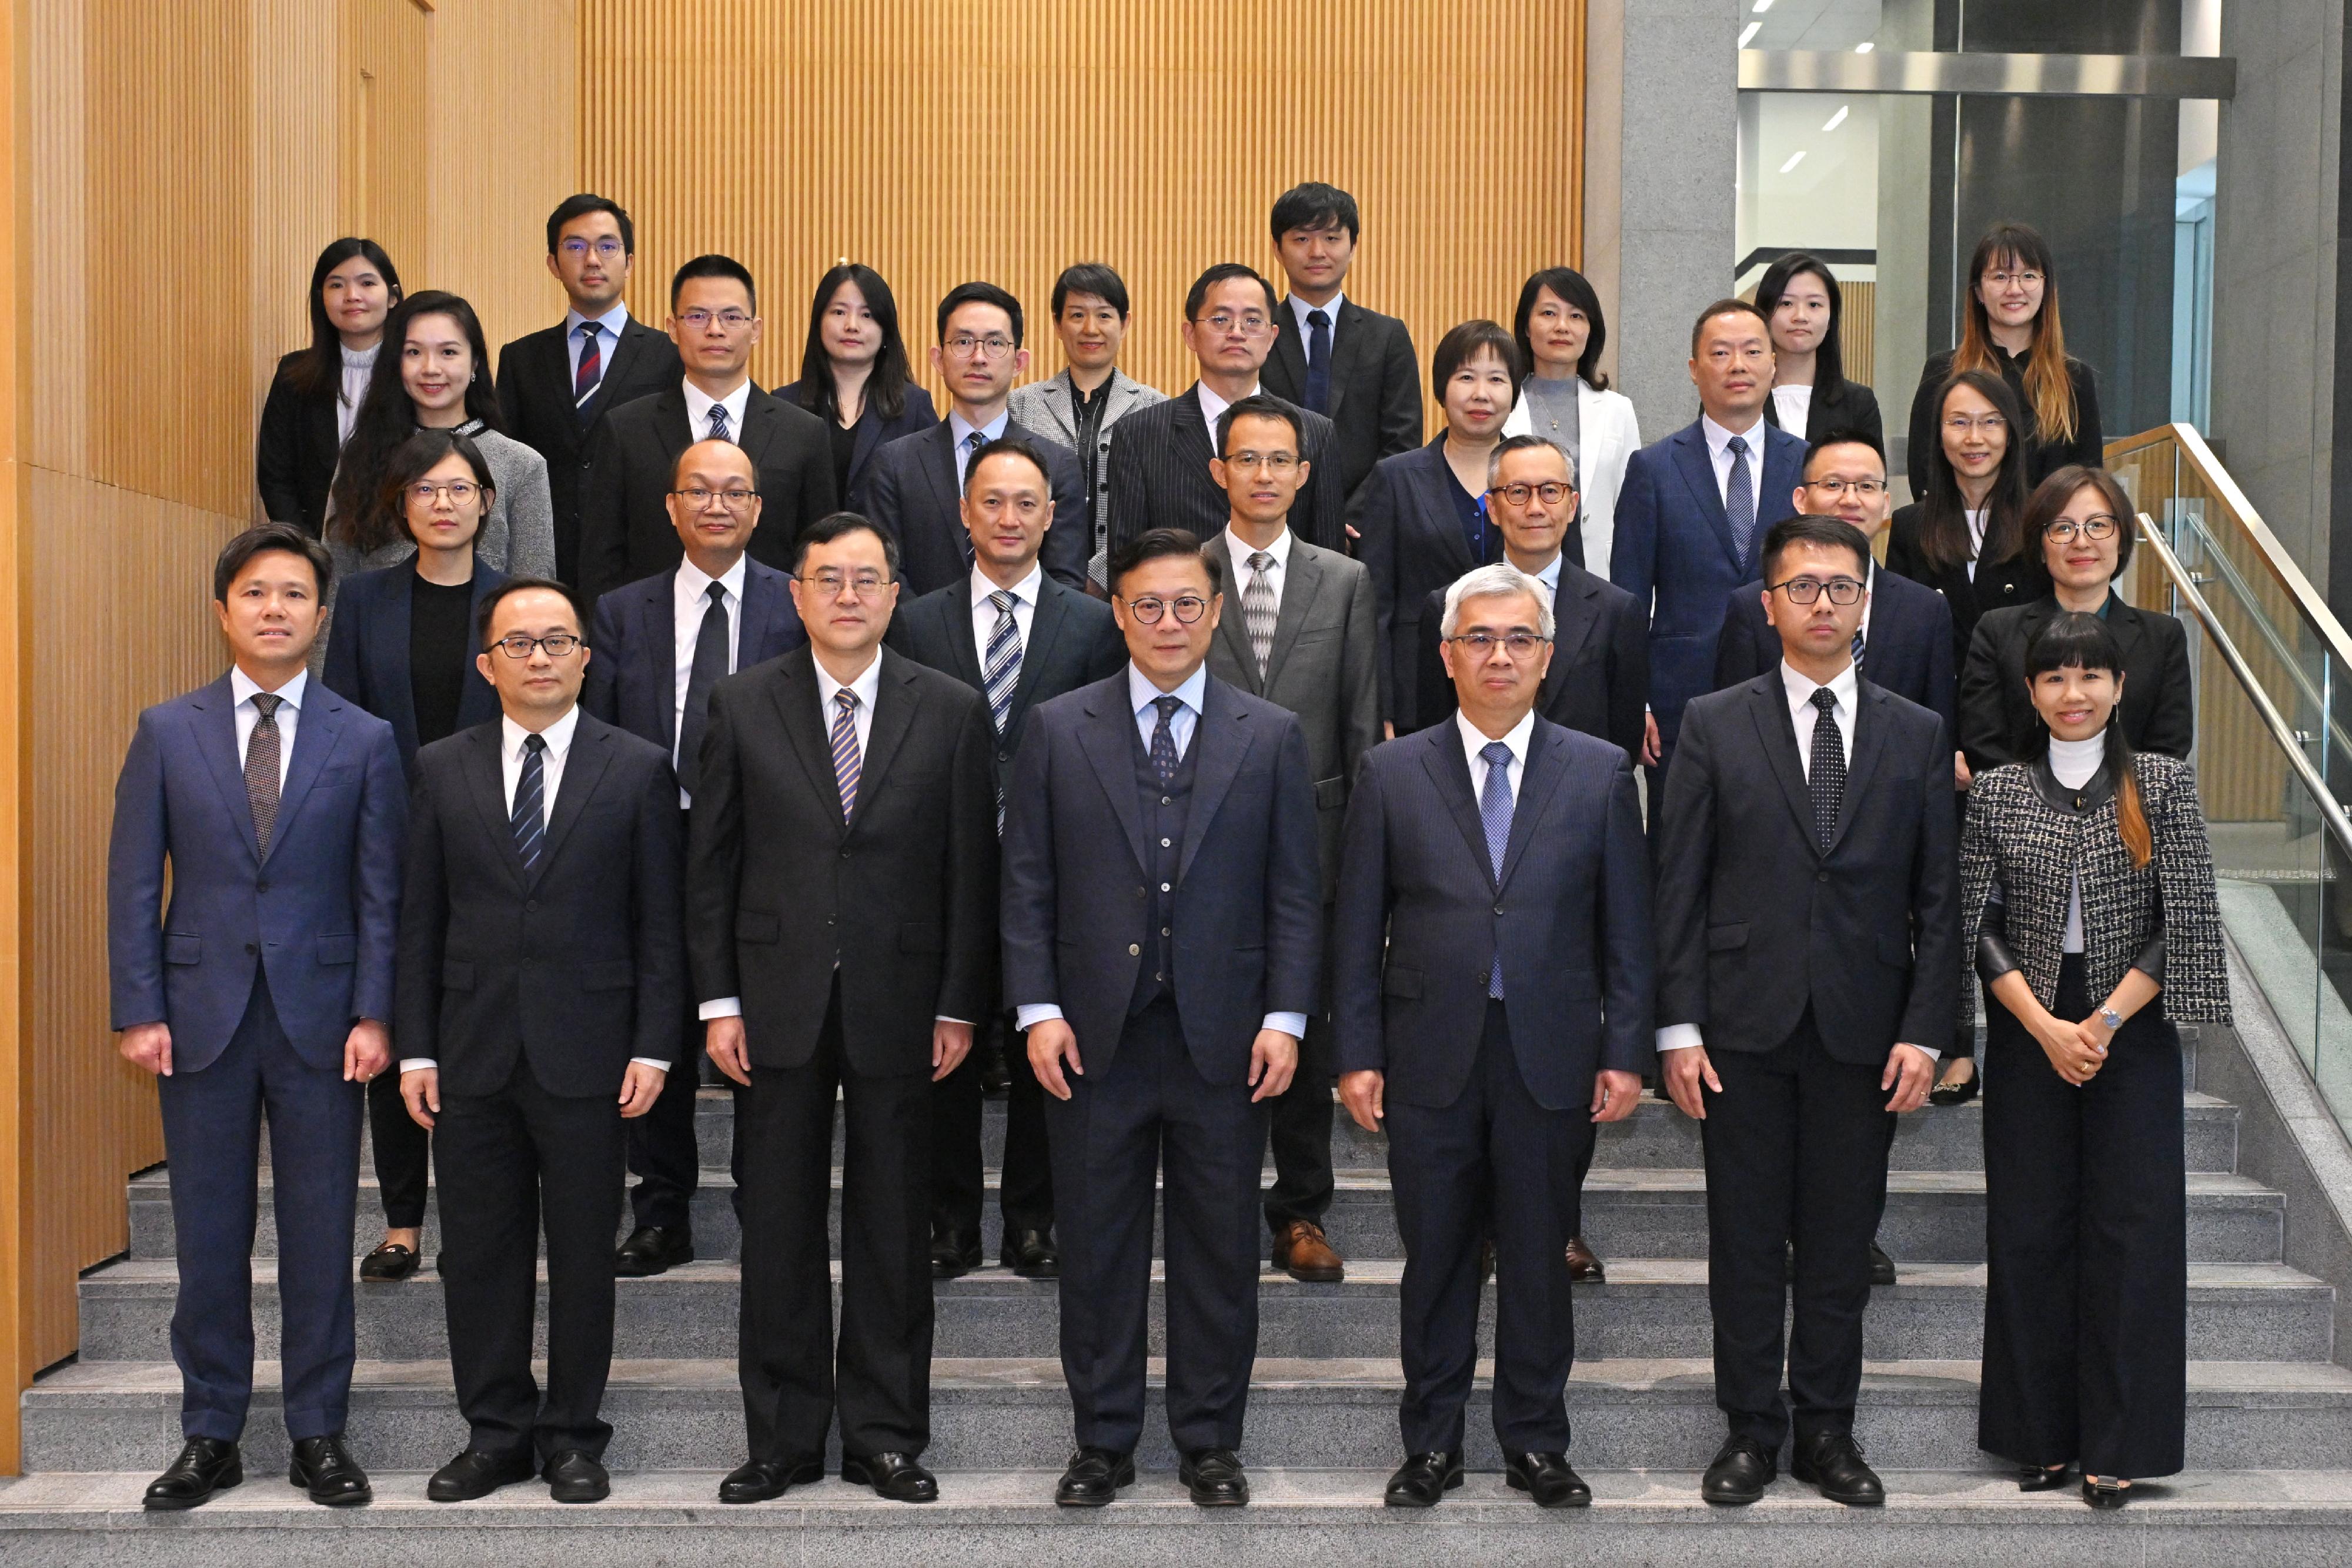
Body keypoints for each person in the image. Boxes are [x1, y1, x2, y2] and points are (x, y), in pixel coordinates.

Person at [1002, 529, 1321, 1509]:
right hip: (1092, 1038)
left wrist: (1287, 1016)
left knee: (1218, 1249)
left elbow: (1296, 891)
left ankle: (1210, 1440)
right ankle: (1101, 1440)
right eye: (1148, 604)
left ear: (1216, 611)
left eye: (1187, 604)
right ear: (1118, 612)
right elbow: (1027, 880)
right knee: (1097, 1247)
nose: (1169, 622)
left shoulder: (1272, 732)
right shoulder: (1058, 726)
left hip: (1228, 1039)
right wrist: (1038, 1009)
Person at [690, 514, 996, 1506]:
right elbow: (712, 864)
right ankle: (782, 1438)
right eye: (830, 578)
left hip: (904, 1000)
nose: (850, 595)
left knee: (894, 1223)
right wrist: (718, 999)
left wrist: (960, 1003)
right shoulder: (742, 702)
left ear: (896, 595)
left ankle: (885, 1435)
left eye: (868, 578)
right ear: (797, 594)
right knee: (777, 1220)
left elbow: (971, 870)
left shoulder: (950, 708)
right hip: (772, 1001)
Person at [1333, 561, 1653, 1510]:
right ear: (1447, 655)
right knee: (1435, 1258)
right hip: (1428, 1051)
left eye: (1519, 639)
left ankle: (1536, 1440)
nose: (1499, 655)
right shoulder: (1392, 771)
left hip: (1551, 1052)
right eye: (1479, 638)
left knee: (1538, 1256)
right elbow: (1356, 925)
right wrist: (1356, 1052)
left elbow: (1627, 929)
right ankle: (1431, 1443)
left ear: (1548, 656)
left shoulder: (1600, 770)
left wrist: (1624, 1050)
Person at [1653, 514, 1957, 1508]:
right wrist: (1677, 1025)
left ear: (1866, 603)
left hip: (1865, 1029)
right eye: (1802, 587)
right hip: (1739, 1024)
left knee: (1838, 1243)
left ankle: (1827, 1429)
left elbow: (1940, 899)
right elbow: (1678, 884)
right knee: (1744, 1239)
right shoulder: (1713, 720)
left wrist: (1927, 1029)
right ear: (1768, 604)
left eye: (1841, 586)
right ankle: (1750, 1428)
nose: (1822, 603)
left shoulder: (1916, 730)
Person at [107, 525, 404, 1510]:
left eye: (294, 594)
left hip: (324, 1019)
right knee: (208, 1233)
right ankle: (211, 1431)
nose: (274, 608)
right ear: (223, 609)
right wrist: (139, 1006)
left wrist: (375, 1010)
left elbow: (381, 891)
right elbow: (131, 879)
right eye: (254, 592)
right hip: (198, 1018)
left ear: (321, 614)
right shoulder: (167, 729)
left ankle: (319, 1430)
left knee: (320, 1231)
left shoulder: (363, 737)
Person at [397, 579, 683, 1506]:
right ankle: (495, 1433)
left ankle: (572, 1435)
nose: (540, 657)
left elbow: (661, 923)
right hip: (470, 1050)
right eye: (518, 643)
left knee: (584, 1252)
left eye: (558, 639)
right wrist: (416, 1048)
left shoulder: (636, 767)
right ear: (488, 665)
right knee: (480, 1252)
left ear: (586, 657)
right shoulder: (441, 766)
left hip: (591, 1050)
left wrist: (654, 1044)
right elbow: (418, 919)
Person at [1959, 611, 2230, 1508]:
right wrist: (2046, 1025)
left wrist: (2103, 1021)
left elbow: (2184, 918)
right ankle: (2038, 1437)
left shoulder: (2161, 781)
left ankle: (2121, 1444)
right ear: (2031, 692)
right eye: (2054, 677)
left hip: (2132, 1029)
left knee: (2133, 1232)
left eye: (2090, 676)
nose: (2072, 693)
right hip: (2029, 1025)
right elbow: (1978, 922)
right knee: (2029, 1227)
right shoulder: (1999, 791)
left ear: (2118, 687)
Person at [885, 436, 1125, 1281]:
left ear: (1052, 515)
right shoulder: (915, 622)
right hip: (940, 873)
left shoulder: (1092, 624)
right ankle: (948, 1221)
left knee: (1044, 1050)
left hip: (1055, 873)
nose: (1009, 517)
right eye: (992, 501)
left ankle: (1034, 1220)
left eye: (1027, 502)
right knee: (944, 1048)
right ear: (964, 512)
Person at [582, 439, 808, 1278]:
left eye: (734, 492)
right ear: (671, 507)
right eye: (699, 491)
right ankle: (661, 1209)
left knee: (762, 1024)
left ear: (758, 508)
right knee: (660, 1021)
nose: (717, 505)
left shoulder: (796, 600)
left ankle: (767, 1204)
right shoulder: (621, 611)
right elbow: (602, 735)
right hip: (655, 837)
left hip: (767, 843)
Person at [319, 430, 509, 1284]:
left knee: (477, 1028)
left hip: (494, 844)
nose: (443, 503)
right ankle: (402, 1220)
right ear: (402, 506)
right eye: (425, 489)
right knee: (395, 1022)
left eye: (459, 488)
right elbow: (342, 724)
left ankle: (481, 1210)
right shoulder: (363, 600)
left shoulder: (518, 603)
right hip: (389, 841)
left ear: (486, 503)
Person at [1198, 395, 1379, 1285]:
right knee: (1212, 1027)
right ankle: (1216, 1203)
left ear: (1304, 474)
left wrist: (1363, 864)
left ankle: (1301, 1209)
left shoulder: (1344, 580)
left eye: (1280, 460)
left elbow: (1359, 724)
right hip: (1198, 844)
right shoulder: (1183, 571)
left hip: (1317, 841)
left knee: (1302, 1029)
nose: (1263, 474)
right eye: (1247, 458)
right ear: (1218, 471)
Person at [1946, 468, 2193, 1108]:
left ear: (2122, 538)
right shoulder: (1999, 628)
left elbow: (2168, 746)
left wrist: (2098, 814)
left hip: (2127, 866)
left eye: (2098, 525)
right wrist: (2045, 814)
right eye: (2062, 527)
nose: (2081, 540)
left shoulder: (2160, 636)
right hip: (2023, 875)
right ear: (2040, 541)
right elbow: (1984, 738)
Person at [1610, 299, 1808, 774]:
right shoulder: (1653, 468)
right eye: (1720, 353)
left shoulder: (1807, 463)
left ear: (1773, 365)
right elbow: (1628, 598)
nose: (1738, 365)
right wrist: (1636, 702)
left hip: (1789, 692)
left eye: (1752, 351)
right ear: (1694, 369)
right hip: (1678, 699)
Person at [576, 255, 837, 604]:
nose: (715, 329)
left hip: (774, 627)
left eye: (732, 317)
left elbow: (821, 556)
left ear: (756, 330)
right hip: (654, 626)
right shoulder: (626, 429)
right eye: (698, 316)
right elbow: (601, 560)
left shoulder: (804, 433)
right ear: (673, 328)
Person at [321, 290, 557, 663]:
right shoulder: (362, 457)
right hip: (379, 659)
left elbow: (536, 591)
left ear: (475, 361)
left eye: (448, 352)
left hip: (488, 660)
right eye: (414, 352)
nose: (431, 368)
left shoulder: (521, 464)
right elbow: (335, 583)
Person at [1414, 434, 1649, 766]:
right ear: (1492, 508)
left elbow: (1624, 739)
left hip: (1580, 789)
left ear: (1572, 506)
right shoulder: (1447, 607)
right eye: (1518, 492)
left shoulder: (1617, 611)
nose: (1535, 508)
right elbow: (1433, 731)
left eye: (1550, 491)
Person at [851, 282, 1090, 597]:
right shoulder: (895, 464)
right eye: (963, 342)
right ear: (939, 359)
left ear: (1019, 362)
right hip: (918, 628)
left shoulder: (1058, 465)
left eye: (995, 343)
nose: (978, 357)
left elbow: (1065, 582)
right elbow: (886, 573)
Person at [496, 194, 685, 586]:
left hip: (638, 563)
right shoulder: (520, 359)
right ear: (553, 264)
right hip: (546, 563)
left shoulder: (670, 355)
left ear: (629, 263)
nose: (593, 260)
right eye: (576, 247)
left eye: (607, 246)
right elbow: (508, 466)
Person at [1103, 264, 1346, 556]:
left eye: (1253, 321)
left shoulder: (1316, 433)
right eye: (1220, 320)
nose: (1237, 333)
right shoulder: (1140, 434)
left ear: (1272, 337)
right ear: (1190, 334)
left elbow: (1328, 564)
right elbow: (1125, 560)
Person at [1355, 321, 1521, 734]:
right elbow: (1376, 606)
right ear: (1441, 388)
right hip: (1418, 688)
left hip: (1517, 683)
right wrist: (1383, 709)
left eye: (1496, 379)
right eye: (1466, 377)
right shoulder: (1395, 478)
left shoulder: (1538, 477)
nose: (1481, 393)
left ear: (1514, 392)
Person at [1906, 222, 2102, 503]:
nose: (2015, 289)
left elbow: (2087, 478)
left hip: (2048, 528)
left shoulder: (2075, 377)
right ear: (1978, 291)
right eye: (2000, 277)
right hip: (1961, 526)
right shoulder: (1944, 371)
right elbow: (1924, 473)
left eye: (2029, 276)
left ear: (2046, 288)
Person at [1257, 182, 1421, 502]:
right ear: (1277, 249)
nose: (1317, 252)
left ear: (1353, 246)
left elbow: (1402, 443)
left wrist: (1354, 517)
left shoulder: (1387, 336)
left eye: (1332, 238)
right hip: (1270, 510)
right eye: (1302, 239)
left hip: (1363, 519)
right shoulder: (1259, 332)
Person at [1008, 263, 1170, 590]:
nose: (1090, 329)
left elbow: (1158, 508)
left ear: (1125, 324)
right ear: (1058, 324)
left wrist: (1099, 576)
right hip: (1036, 585)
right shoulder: (1020, 405)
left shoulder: (1156, 408)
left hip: (1129, 585)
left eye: (1104, 315)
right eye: (1077, 315)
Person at [1885, 370, 2047, 693]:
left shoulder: (2042, 518)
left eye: (1990, 422)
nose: (1974, 438)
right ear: (1939, 434)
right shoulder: (1909, 525)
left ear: (2011, 433)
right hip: (1936, 700)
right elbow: (1899, 632)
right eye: (1959, 422)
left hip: (2023, 698)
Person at [1499, 267, 1642, 577]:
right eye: (1549, 313)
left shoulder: (1618, 410)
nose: (1562, 327)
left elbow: (1632, 508)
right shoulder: (1503, 404)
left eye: (1576, 316)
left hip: (1599, 572)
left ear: (1591, 330)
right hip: (1518, 568)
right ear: (1526, 326)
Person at [258, 239, 402, 539]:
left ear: (392, 297)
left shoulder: (414, 373)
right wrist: (309, 551)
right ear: (320, 298)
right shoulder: (294, 375)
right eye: (336, 285)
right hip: (316, 546)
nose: (352, 296)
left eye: (367, 283)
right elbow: (276, 477)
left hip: (406, 545)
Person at [773, 263, 938, 505]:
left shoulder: (914, 406)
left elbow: (930, 495)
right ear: (819, 322)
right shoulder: (784, 404)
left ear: (885, 329)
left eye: (867, 315)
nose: (852, 325)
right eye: (839, 312)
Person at [1756, 254, 1883, 449]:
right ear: (1764, 314)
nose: (1800, 316)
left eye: (1814, 305)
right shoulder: (1738, 396)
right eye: (1786, 303)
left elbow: (1871, 469)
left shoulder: (1859, 403)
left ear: (1831, 318)